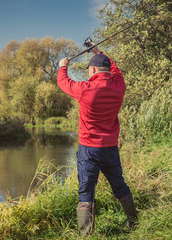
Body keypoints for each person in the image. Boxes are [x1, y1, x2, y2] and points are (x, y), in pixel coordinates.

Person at [57, 43, 137, 235]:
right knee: (119, 186)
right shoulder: (119, 87)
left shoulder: (85, 89)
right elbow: (116, 69)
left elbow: (63, 82)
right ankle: (134, 222)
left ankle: (86, 235)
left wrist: (62, 66)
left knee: (86, 193)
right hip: (110, 148)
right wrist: (98, 51)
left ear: (92, 69)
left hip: (89, 150)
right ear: (108, 69)